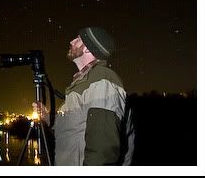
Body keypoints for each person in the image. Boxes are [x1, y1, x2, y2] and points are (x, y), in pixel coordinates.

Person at [33, 27, 135, 165]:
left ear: (87, 49)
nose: (72, 41)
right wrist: (48, 117)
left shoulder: (102, 81)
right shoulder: (83, 83)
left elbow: (103, 149)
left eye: (78, 39)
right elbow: (75, 129)